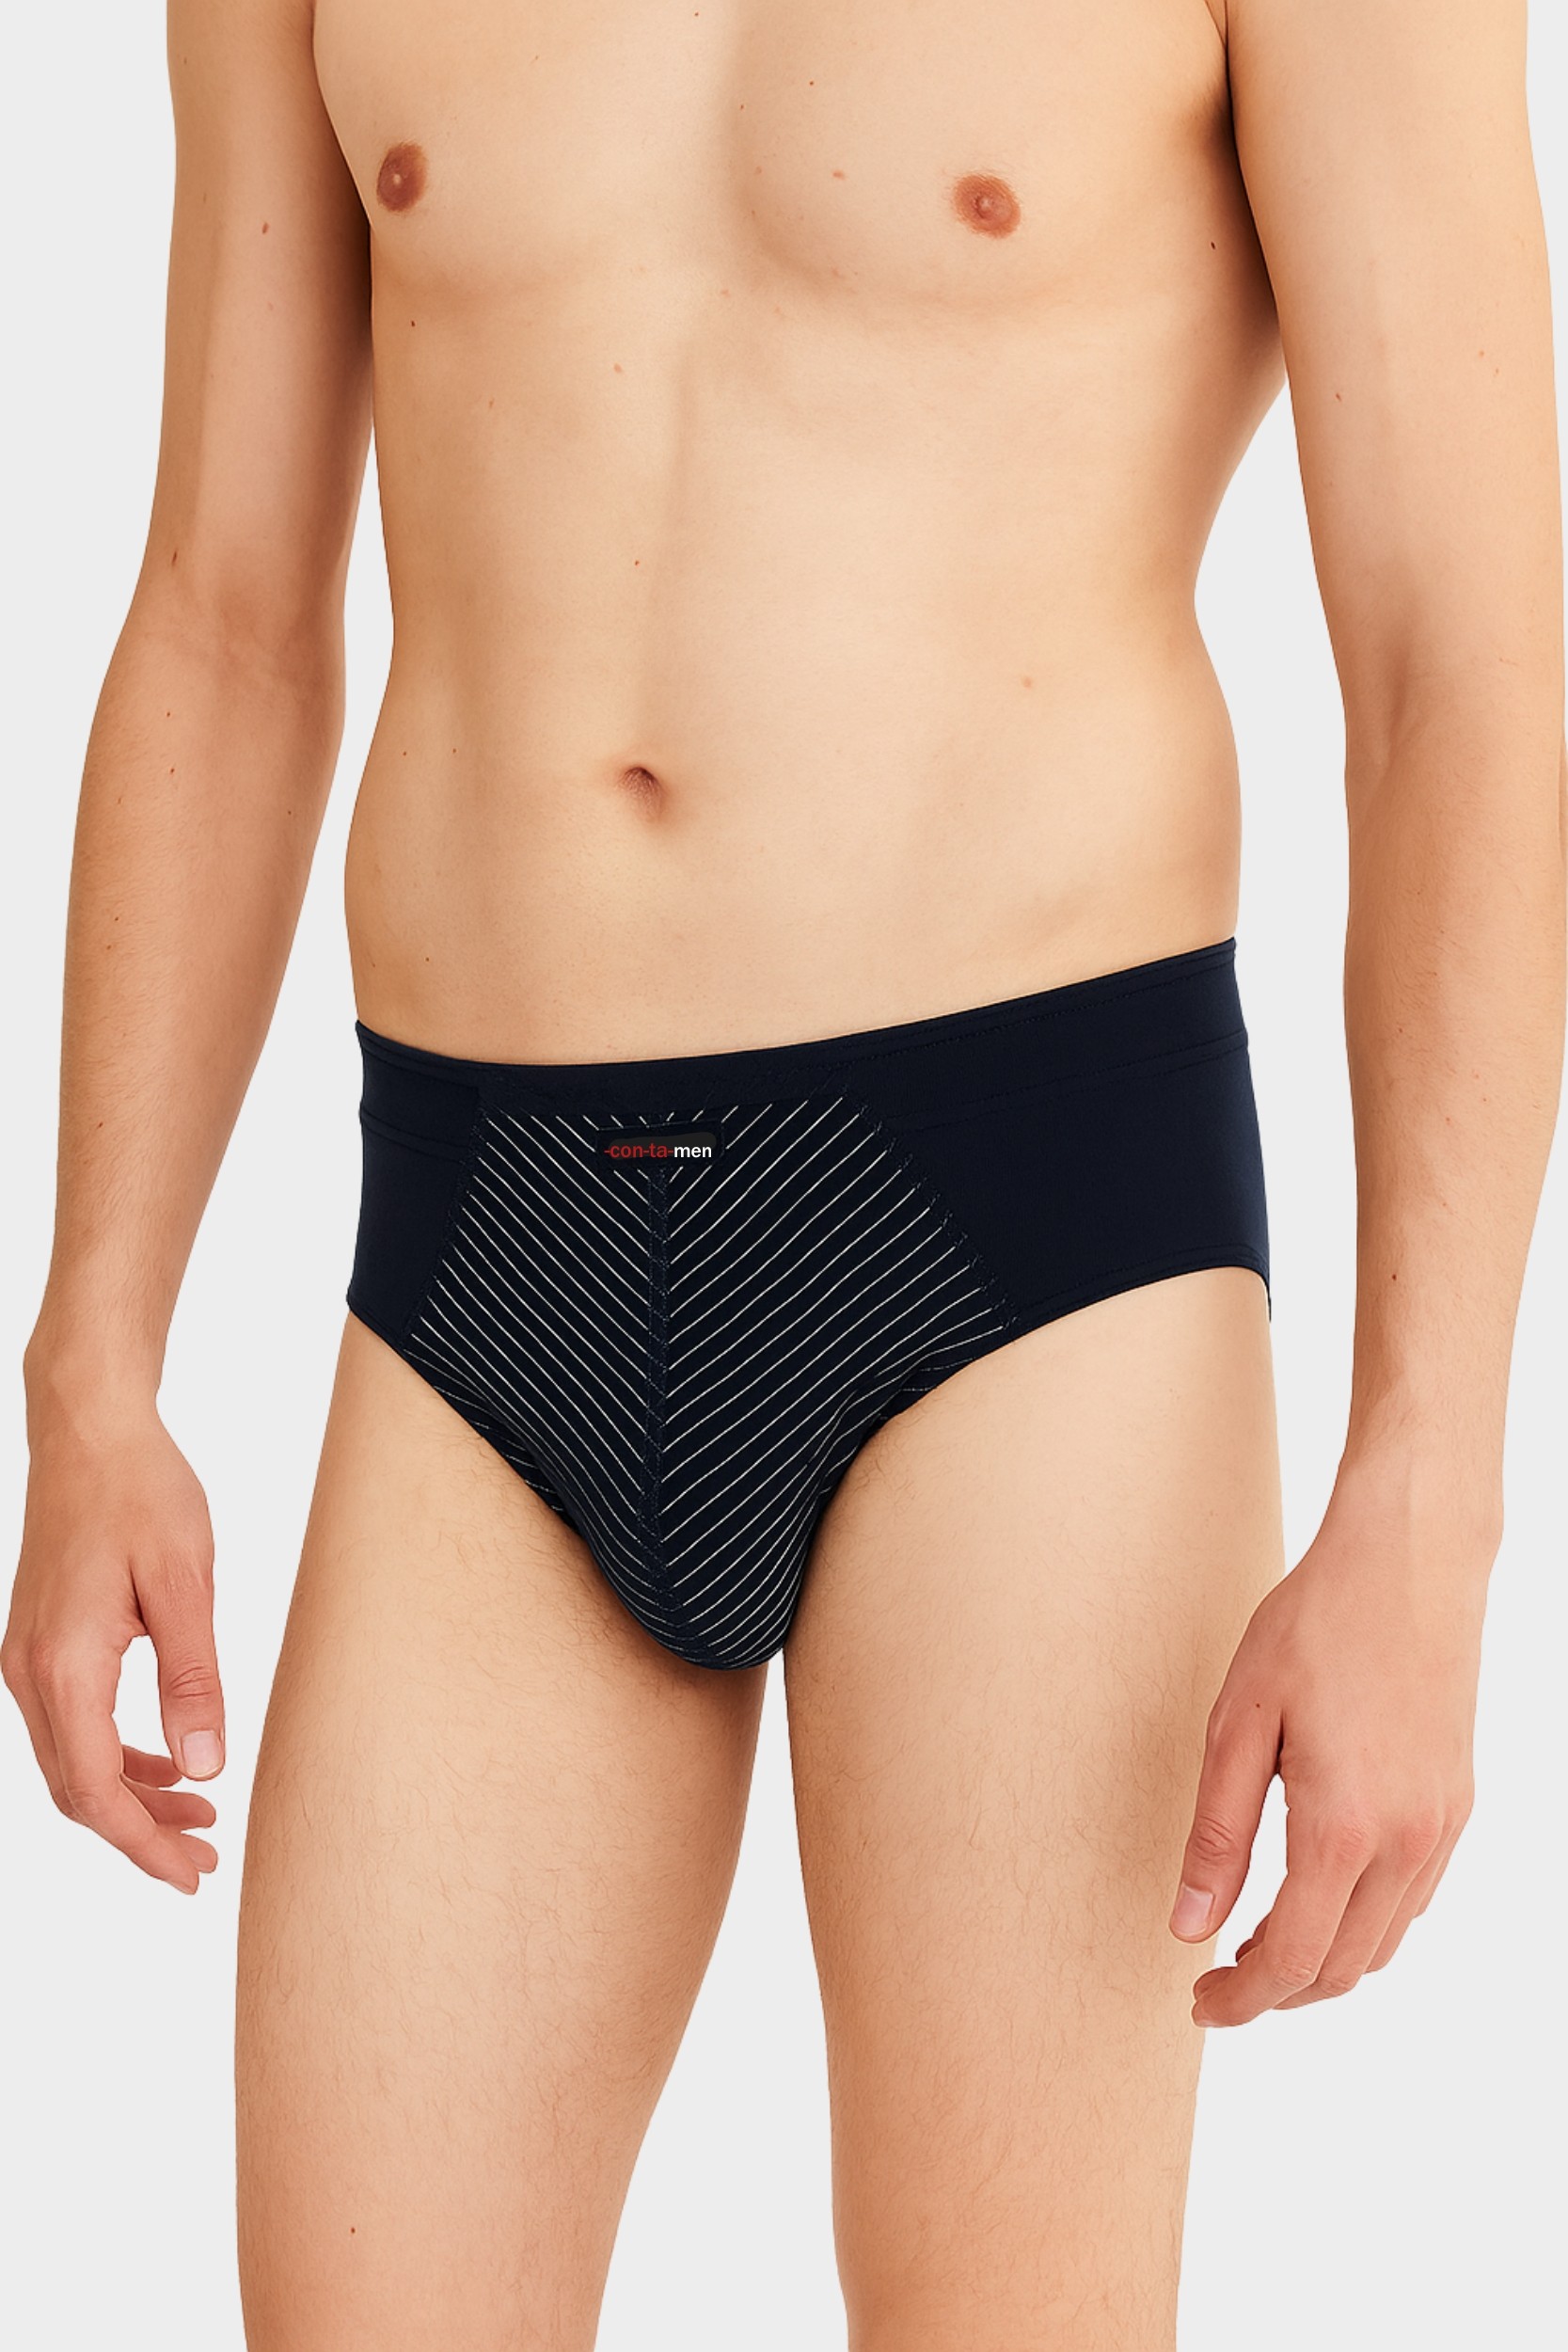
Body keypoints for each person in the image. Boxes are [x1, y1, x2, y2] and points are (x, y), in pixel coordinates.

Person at [5, 0, 1562, 2344]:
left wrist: (1427, 1495)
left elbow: (1465, 660)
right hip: (486, 1233)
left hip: (1029, 1229)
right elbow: (225, 615)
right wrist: (92, 1356)